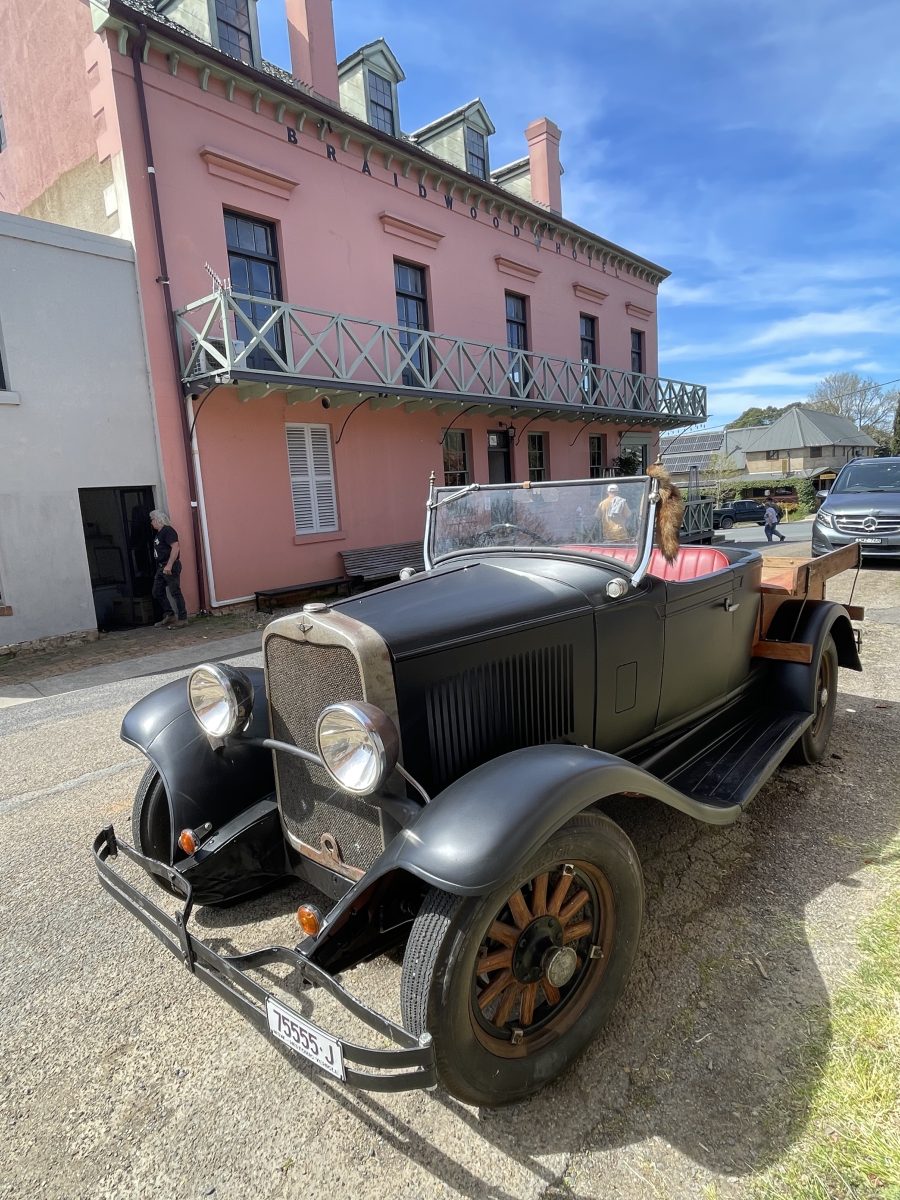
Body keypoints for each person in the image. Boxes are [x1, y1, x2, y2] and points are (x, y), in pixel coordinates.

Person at [150, 510, 188, 627]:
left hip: (169, 565)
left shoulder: (168, 530)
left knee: (175, 591)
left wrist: (170, 565)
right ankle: (169, 615)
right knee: (157, 591)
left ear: (157, 520)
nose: (151, 523)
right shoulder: (159, 533)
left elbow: (175, 547)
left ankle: (182, 618)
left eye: (152, 520)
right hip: (162, 566)